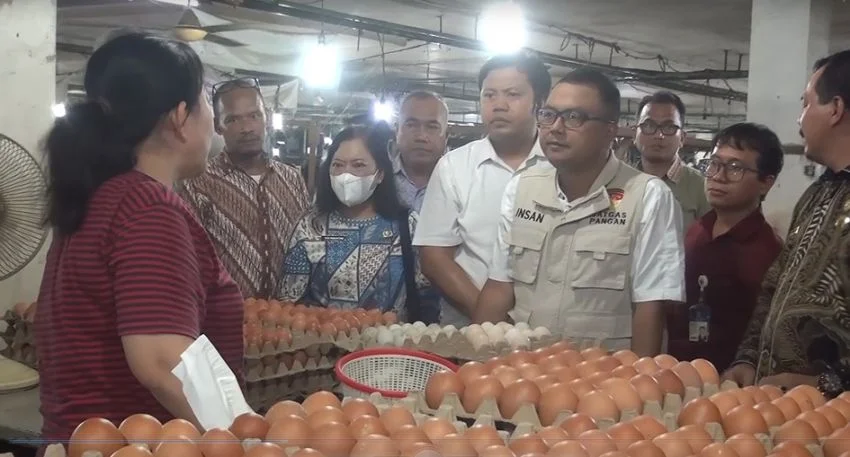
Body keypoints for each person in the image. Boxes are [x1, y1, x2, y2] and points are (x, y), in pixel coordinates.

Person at [35, 33, 243, 445]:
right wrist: (243, 440)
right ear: (180, 117)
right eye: (206, 106)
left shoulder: (103, 196)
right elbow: (163, 362)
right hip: (132, 444)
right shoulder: (147, 207)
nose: (213, 124)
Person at [473, 68, 685, 356]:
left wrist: (637, 386)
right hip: (521, 368)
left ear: (610, 129)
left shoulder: (647, 196)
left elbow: (650, 308)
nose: (556, 128)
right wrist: (474, 364)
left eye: (574, 118)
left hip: (600, 379)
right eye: (548, 115)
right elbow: (499, 287)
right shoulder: (522, 187)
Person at [723, 50, 850, 394]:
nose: (800, 119)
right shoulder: (818, 193)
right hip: (778, 405)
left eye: (806, 104)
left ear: (835, 110)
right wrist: (748, 358)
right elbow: (774, 288)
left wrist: (826, 384)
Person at [414, 51, 551, 326]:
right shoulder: (454, 167)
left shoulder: (560, 166)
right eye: (489, 95)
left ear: (540, 102)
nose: (498, 105)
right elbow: (434, 257)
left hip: (547, 334)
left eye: (512, 94)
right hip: (469, 329)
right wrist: (490, 321)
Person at [279, 123, 439, 323]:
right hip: (322, 348)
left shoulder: (407, 226)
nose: (346, 175)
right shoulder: (309, 226)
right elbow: (289, 300)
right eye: (337, 165)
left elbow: (427, 296)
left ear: (380, 173)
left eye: (358, 165)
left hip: (390, 348)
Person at [666, 123, 784, 371]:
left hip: (731, 381)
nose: (718, 176)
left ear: (766, 183)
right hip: (677, 369)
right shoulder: (697, 230)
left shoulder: (767, 252)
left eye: (735, 168)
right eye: (715, 164)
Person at [179, 77, 310, 299]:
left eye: (254, 115)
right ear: (218, 126)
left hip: (289, 322)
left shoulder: (292, 179)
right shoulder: (198, 183)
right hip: (224, 319)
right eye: (232, 120)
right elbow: (188, 261)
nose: (247, 128)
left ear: (266, 118)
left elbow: (307, 243)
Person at [632, 91, 710, 231]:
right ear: (635, 134)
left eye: (669, 127)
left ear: (682, 138)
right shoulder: (622, 183)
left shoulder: (702, 188)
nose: (659, 135)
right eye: (649, 125)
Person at [394, 90, 449, 212]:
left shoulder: (462, 182)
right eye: (411, 125)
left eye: (432, 127)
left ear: (446, 136)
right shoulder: (377, 178)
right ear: (396, 131)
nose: (421, 137)